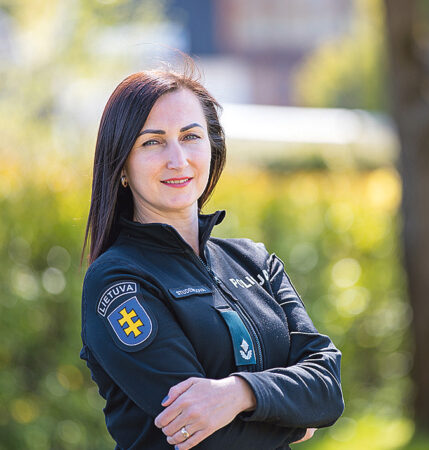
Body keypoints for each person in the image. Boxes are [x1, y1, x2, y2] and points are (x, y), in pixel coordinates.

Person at [79, 61, 344, 449]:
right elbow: (199, 434)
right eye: (152, 142)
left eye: (190, 136)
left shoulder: (255, 262)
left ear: (212, 148)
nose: (178, 159)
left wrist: (239, 393)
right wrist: (297, 420)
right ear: (122, 166)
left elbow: (328, 389)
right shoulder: (118, 281)